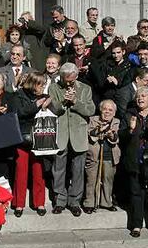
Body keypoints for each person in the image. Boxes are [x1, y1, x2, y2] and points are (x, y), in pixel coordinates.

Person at [48, 62, 95, 216]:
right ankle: (59, 200)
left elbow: (90, 110)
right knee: (58, 170)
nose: (69, 83)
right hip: (61, 133)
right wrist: (63, 102)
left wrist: (75, 102)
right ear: (61, 76)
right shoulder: (54, 88)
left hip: (78, 134)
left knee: (78, 170)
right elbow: (53, 109)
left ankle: (74, 201)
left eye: (72, 80)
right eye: (66, 80)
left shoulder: (85, 89)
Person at [12, 72, 50, 217]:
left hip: (40, 139)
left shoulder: (45, 97)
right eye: (41, 84)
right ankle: (19, 204)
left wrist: (48, 103)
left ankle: (39, 203)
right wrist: (36, 105)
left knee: (38, 172)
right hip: (23, 138)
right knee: (21, 173)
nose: (43, 87)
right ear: (34, 84)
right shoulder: (19, 95)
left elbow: (54, 111)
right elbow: (20, 112)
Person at [120, 87, 148, 237]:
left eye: (144, 96)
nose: (140, 98)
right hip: (134, 159)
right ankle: (136, 225)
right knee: (136, 193)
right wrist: (130, 130)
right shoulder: (129, 115)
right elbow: (121, 137)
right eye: (138, 96)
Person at [83, 100, 120, 214]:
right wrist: (99, 130)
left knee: (108, 179)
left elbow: (116, 139)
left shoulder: (116, 122)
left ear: (114, 113)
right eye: (105, 109)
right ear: (100, 110)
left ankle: (106, 202)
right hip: (94, 154)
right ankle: (89, 203)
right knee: (92, 179)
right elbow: (90, 133)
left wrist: (111, 135)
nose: (107, 112)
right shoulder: (93, 119)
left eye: (110, 110)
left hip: (110, 154)